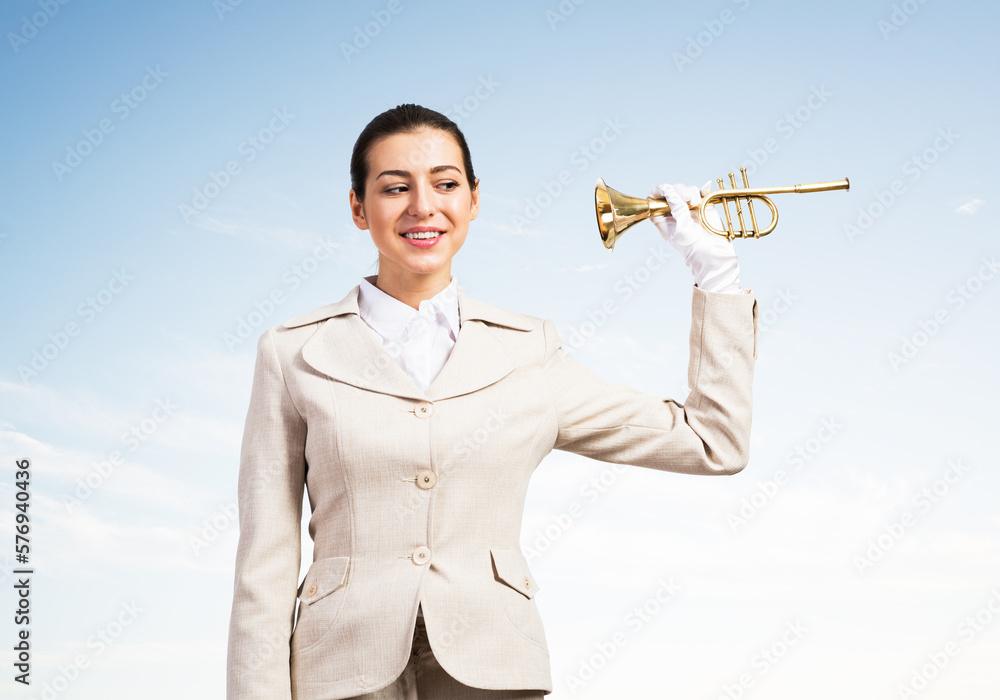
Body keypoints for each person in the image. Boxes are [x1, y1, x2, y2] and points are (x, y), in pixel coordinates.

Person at [226, 104, 758, 700]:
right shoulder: (292, 352)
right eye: (395, 187)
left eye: (445, 184)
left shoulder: (530, 353)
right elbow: (264, 566)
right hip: (338, 670)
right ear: (358, 207)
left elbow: (714, 442)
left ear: (474, 200)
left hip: (493, 666)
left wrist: (716, 277)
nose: (422, 206)